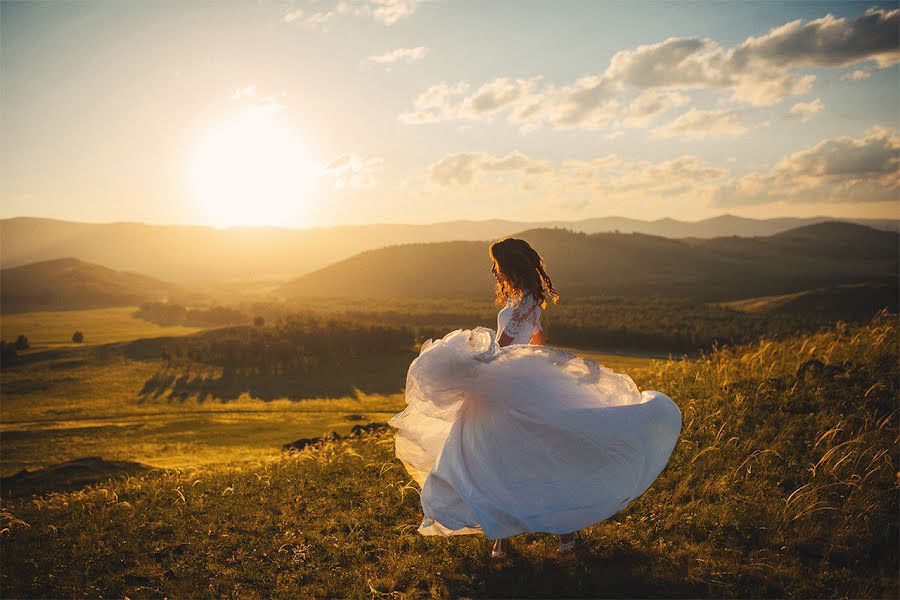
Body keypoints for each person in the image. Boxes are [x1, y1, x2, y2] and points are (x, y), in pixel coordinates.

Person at [388, 237, 682, 561]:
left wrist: (469, 360)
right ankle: (548, 539)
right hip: (516, 383)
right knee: (529, 457)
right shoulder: (527, 301)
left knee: (508, 459)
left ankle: (512, 541)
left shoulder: (522, 303)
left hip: (508, 388)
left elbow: (503, 346)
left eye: (496, 265)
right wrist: (536, 368)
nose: (492, 271)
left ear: (509, 267)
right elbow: (538, 340)